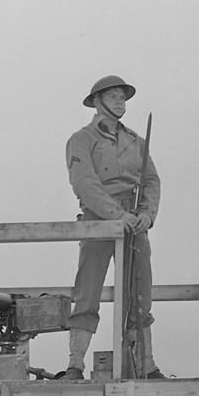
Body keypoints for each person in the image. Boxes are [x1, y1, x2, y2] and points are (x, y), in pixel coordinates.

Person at [58, 74, 165, 380]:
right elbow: (84, 183)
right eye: (115, 97)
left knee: (140, 293)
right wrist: (116, 214)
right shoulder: (81, 139)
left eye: (123, 97)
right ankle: (75, 365)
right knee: (87, 291)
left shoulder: (137, 142)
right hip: (99, 222)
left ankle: (147, 365)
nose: (121, 103)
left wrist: (146, 213)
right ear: (97, 102)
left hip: (135, 223)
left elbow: (151, 182)